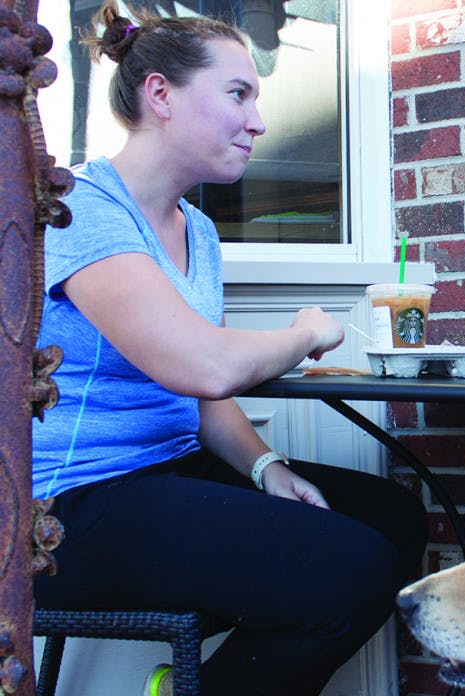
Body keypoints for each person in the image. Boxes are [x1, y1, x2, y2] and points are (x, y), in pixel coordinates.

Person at [31, 3, 427, 695]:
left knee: (392, 522)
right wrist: (305, 331)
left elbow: (202, 394)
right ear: (160, 95)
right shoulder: (81, 210)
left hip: (167, 472)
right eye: (238, 94)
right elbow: (203, 363)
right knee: (351, 568)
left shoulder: (198, 231)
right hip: (68, 511)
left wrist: (266, 465)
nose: (259, 121)